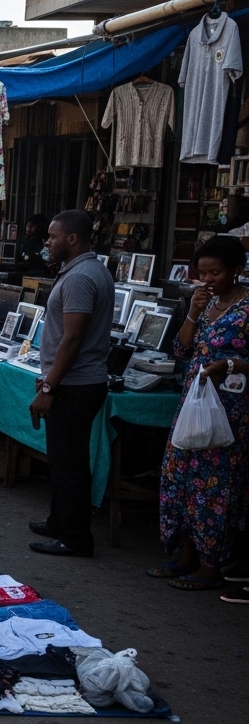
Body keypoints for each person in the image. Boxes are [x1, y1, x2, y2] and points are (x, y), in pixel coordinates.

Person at [150, 236, 249, 594]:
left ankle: (212, 564)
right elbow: (181, 347)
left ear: (238, 270)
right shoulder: (204, 303)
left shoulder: (246, 306)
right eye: (202, 273)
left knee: (215, 485)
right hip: (192, 400)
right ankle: (185, 553)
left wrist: (232, 364)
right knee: (180, 477)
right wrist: (193, 310)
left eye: (216, 272)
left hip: (230, 409)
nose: (208, 280)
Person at [28, 209, 114, 558]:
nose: (47, 242)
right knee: (61, 459)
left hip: (76, 384)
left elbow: (73, 339)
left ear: (72, 239)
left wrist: (50, 386)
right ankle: (59, 521)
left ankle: (75, 537)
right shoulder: (85, 271)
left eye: (52, 236)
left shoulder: (80, 277)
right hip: (73, 380)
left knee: (70, 462)